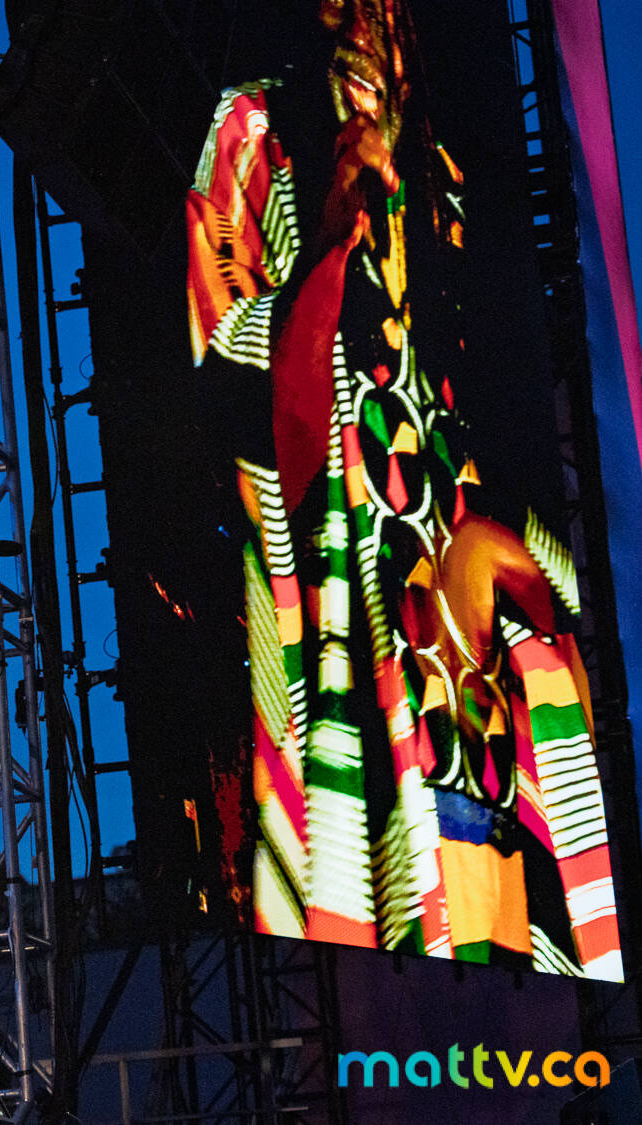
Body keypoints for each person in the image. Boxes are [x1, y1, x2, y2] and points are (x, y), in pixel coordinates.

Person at [187, 0, 620, 978]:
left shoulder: (444, 173)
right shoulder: (253, 131)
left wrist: (500, 561)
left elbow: (502, 449)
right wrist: (329, 246)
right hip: (356, 688)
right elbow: (233, 383)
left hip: (487, 729)